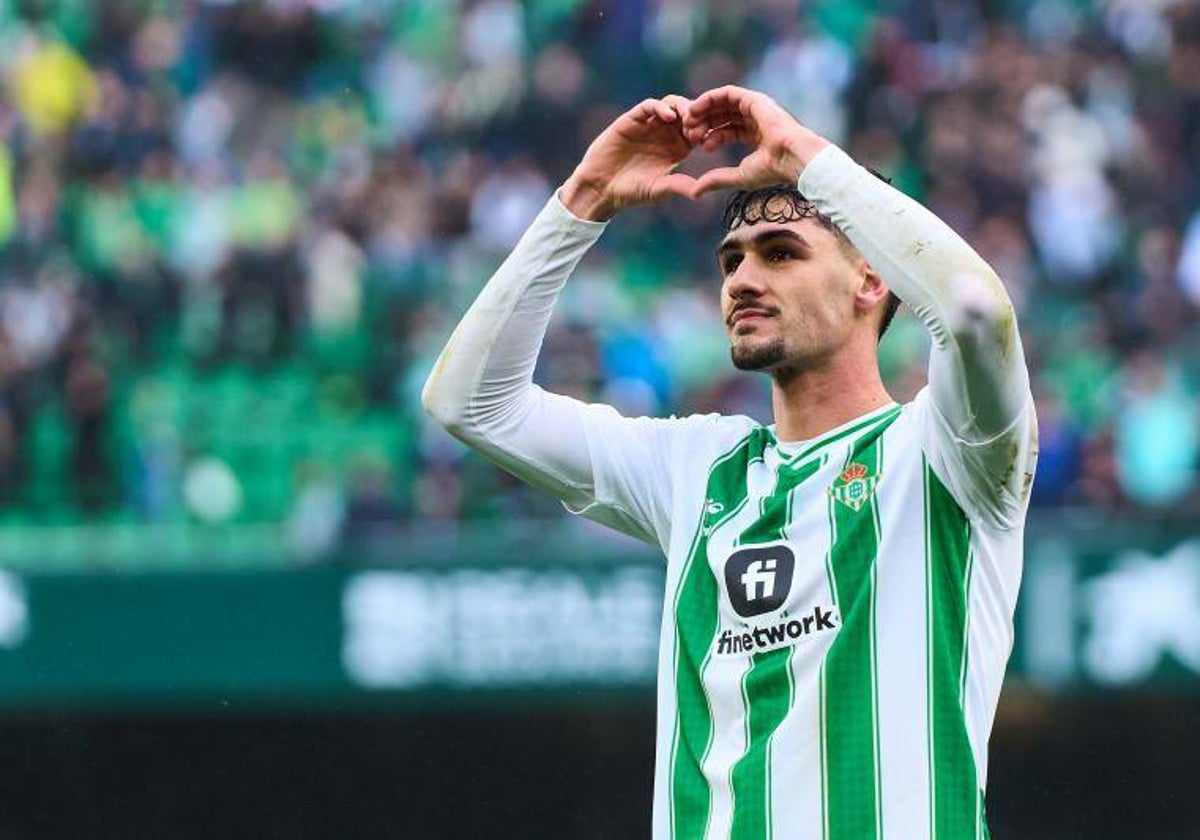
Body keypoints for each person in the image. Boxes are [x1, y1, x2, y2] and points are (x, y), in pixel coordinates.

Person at [423, 86, 1037, 839]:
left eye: (781, 254)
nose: (742, 280)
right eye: (732, 260)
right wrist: (583, 200)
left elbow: (975, 306)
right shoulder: (697, 470)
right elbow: (471, 402)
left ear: (873, 279)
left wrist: (807, 160)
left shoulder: (949, 453)